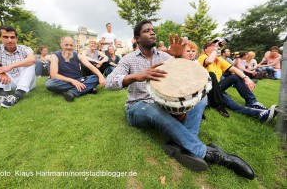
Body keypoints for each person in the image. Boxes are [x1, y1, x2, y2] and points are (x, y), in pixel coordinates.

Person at [106, 19, 255, 180]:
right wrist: (137, 76)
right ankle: (212, 155)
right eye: (146, 30)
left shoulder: (164, 55)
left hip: (164, 105)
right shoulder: (128, 59)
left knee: (201, 97)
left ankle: (179, 146)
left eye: (153, 29)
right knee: (152, 109)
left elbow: (184, 73)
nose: (152, 32)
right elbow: (109, 82)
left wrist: (178, 57)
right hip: (137, 108)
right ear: (137, 38)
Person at [197, 40, 277, 120]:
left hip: (218, 86)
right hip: (208, 88)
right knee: (227, 100)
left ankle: (252, 103)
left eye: (216, 45)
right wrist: (216, 48)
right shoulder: (202, 57)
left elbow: (235, 69)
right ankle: (258, 114)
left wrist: (247, 79)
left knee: (236, 77)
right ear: (205, 49)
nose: (216, 47)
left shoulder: (218, 60)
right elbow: (209, 61)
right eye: (212, 45)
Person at [0, 25, 36, 108]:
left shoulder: (24, 48)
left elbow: (32, 59)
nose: (9, 40)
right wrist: (0, 71)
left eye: (12, 37)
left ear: (16, 38)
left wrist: (8, 67)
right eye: (5, 37)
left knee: (30, 62)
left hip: (26, 81)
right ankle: (3, 95)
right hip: (8, 80)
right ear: (0, 38)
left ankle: (17, 95)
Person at [45, 37, 105, 102]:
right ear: (61, 45)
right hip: (63, 81)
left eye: (71, 45)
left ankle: (72, 92)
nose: (69, 47)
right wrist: (72, 81)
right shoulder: (55, 56)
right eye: (66, 45)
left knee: (96, 78)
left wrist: (101, 76)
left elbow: (90, 66)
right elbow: (54, 75)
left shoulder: (77, 55)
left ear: (73, 46)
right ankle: (87, 89)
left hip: (79, 79)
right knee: (50, 83)